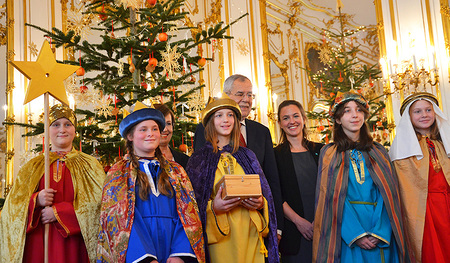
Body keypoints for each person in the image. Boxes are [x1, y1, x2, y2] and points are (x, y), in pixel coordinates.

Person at [97, 101, 205, 263]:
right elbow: (119, 220)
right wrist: (144, 258)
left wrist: (180, 254)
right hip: (137, 254)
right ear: (130, 136)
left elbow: (188, 214)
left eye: (155, 129)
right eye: (143, 129)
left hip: (172, 250)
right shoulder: (119, 173)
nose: (151, 133)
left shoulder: (176, 172)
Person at [312, 92, 411, 263]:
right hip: (346, 231)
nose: (354, 115)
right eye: (347, 111)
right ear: (337, 119)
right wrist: (355, 234)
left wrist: (381, 230)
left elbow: (389, 194)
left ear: (365, 115)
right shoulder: (329, 153)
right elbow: (330, 197)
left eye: (359, 110)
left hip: (379, 228)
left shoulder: (378, 151)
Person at [0, 104, 105, 262]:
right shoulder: (32, 166)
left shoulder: (90, 165)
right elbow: (12, 210)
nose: (62, 130)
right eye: (56, 125)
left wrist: (59, 212)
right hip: (40, 244)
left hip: (75, 245)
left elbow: (100, 205)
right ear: (47, 131)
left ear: (74, 130)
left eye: (67, 124)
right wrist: (36, 201)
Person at [186, 95, 279, 263]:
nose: (226, 120)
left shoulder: (247, 155)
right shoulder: (199, 159)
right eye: (219, 115)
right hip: (221, 238)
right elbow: (190, 206)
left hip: (251, 233)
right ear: (210, 122)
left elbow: (266, 197)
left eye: (230, 115)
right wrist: (213, 207)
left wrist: (260, 204)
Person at [193, 74, 284, 239]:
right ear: (226, 96)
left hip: (254, 226)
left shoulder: (261, 132)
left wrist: (276, 226)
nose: (246, 99)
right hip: (220, 229)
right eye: (240, 94)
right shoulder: (204, 129)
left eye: (250, 95)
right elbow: (201, 182)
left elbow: (272, 182)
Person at [389, 92, 450, 262]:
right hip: (424, 211)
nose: (424, 115)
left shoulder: (445, 141)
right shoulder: (402, 148)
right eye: (417, 111)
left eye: (428, 110)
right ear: (409, 117)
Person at [274, 100, 323, 263]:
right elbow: (276, 194)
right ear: (280, 123)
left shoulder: (322, 150)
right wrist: (298, 221)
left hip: (324, 227)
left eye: (296, 116)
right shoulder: (276, 155)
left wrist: (321, 218)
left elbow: (331, 189)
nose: (292, 121)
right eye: (286, 118)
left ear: (303, 118)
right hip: (294, 233)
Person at [154, 103, 190, 168]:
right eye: (160, 124)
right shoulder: (142, 161)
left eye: (168, 123)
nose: (165, 129)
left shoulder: (185, 160)